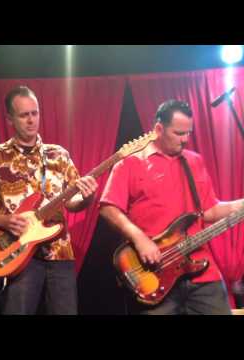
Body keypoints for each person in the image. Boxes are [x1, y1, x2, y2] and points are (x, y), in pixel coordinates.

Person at [100, 99, 244, 315]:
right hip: (155, 274)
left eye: (189, 133)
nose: (185, 140)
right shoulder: (130, 163)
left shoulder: (194, 162)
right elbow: (108, 208)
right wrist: (140, 239)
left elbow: (210, 210)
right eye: (179, 133)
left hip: (202, 272)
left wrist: (240, 205)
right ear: (158, 129)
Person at [0, 85, 98, 315]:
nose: (31, 120)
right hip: (16, 254)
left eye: (34, 113)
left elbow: (73, 203)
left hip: (59, 253)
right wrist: (2, 221)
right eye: (23, 115)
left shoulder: (59, 155)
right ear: (9, 119)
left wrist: (88, 197)